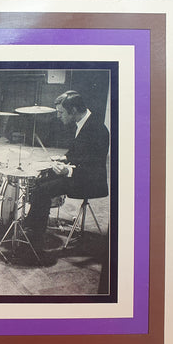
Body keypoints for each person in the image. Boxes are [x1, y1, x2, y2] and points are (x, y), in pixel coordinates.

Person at [25, 91, 109, 251]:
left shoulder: (97, 130)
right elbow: (80, 153)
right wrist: (64, 158)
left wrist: (67, 171)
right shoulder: (84, 122)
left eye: (61, 112)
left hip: (91, 182)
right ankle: (32, 225)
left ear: (74, 110)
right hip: (81, 174)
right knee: (40, 180)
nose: (58, 116)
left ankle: (35, 240)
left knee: (43, 190)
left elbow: (94, 168)